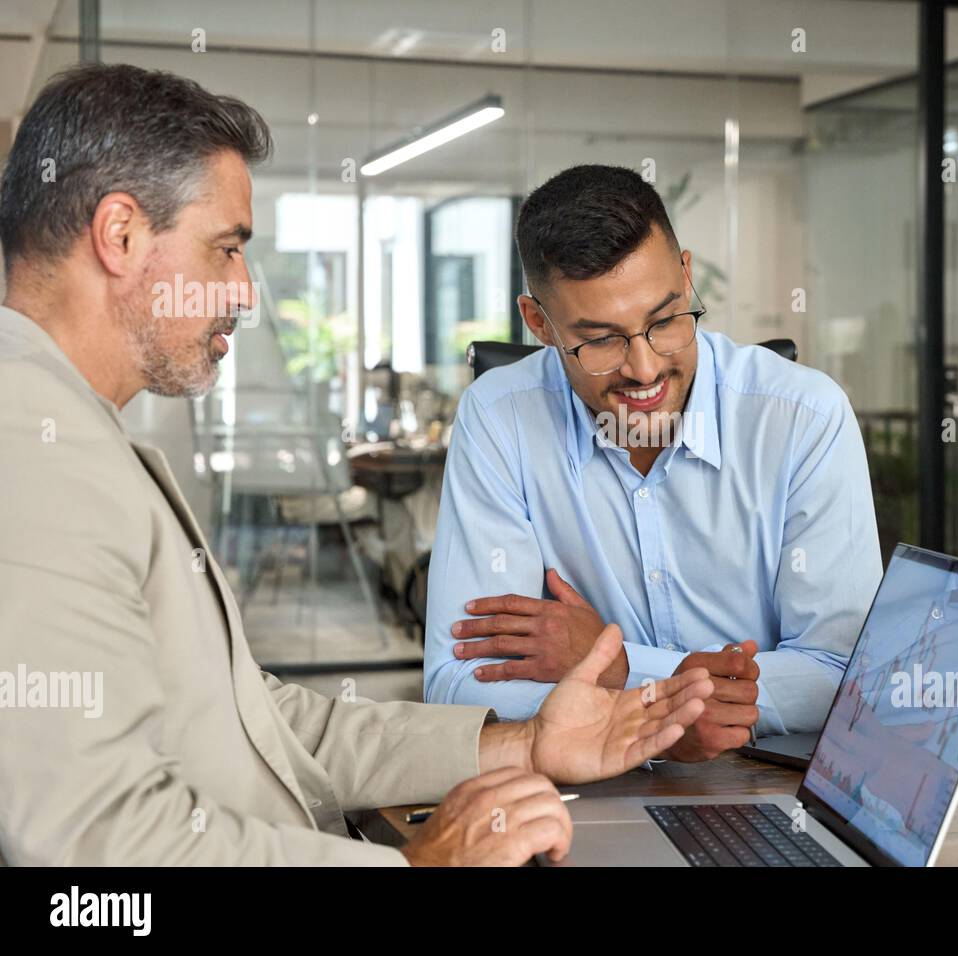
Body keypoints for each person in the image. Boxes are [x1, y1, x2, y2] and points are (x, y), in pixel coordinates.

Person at [0, 64, 712, 867]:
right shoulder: (34, 442)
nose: (244, 292)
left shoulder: (65, 429)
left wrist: (526, 744)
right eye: (226, 249)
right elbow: (92, 845)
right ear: (120, 234)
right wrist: (416, 867)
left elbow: (262, 728)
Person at [424, 164, 883, 761]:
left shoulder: (803, 416)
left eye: (665, 320)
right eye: (602, 340)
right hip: (580, 785)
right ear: (540, 324)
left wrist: (621, 671)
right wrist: (669, 705)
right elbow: (461, 686)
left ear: (686, 275)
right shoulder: (499, 417)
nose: (644, 369)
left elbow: (845, 675)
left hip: (763, 782)